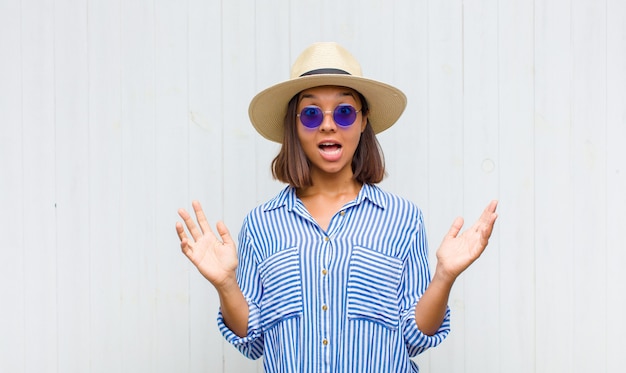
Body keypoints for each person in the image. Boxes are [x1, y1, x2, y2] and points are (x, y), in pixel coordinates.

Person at [175, 42, 498, 373]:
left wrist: (444, 276)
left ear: (362, 121)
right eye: (312, 113)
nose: (328, 125)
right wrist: (225, 284)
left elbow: (414, 338)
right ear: (294, 125)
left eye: (344, 112)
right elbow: (253, 341)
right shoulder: (261, 225)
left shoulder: (403, 219)